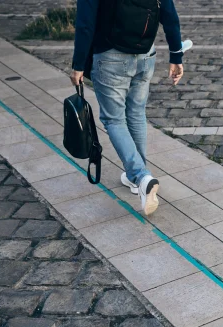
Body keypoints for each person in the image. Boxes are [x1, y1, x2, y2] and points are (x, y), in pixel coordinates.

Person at [70, 0, 185, 215]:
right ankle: (136, 178)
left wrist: (78, 65)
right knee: (136, 113)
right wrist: (176, 55)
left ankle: (140, 177)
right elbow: (169, 14)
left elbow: (85, 23)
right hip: (145, 54)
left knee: (114, 120)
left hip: (110, 57)